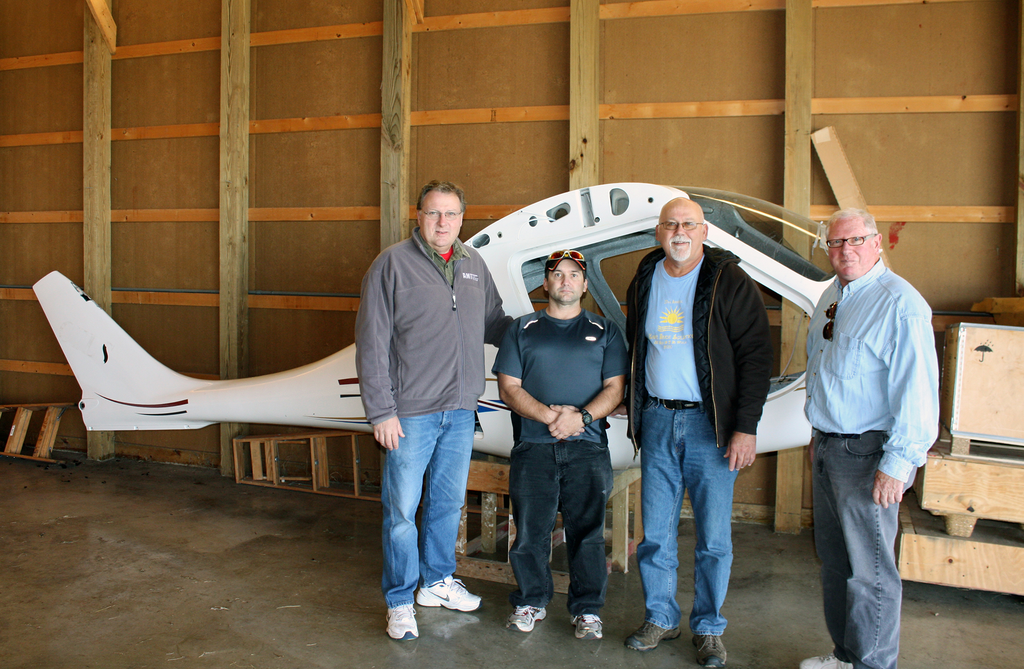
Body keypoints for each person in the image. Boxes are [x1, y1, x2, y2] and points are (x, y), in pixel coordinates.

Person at [620, 196, 773, 667]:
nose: (679, 232)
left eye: (689, 224)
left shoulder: (729, 280)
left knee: (713, 538)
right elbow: (635, 345)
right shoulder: (646, 277)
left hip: (712, 427)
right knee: (656, 533)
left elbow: (755, 357)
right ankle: (661, 617)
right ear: (658, 232)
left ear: (704, 232)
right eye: (670, 224)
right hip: (660, 421)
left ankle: (707, 627)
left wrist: (744, 427)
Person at [355, 180, 511, 641]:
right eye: (433, 214)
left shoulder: (473, 264)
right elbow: (372, 342)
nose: (443, 223)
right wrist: (381, 411)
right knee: (402, 511)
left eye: (451, 214)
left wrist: (546, 332)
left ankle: (437, 582)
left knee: (446, 504)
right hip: (410, 414)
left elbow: (495, 322)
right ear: (417, 217)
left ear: (464, 218)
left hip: (461, 409)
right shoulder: (392, 265)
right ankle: (401, 600)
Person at [800, 209, 938, 669]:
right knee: (837, 564)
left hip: (868, 454)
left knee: (871, 573)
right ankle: (846, 656)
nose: (844, 251)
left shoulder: (900, 303)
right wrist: (816, 438)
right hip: (828, 445)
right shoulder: (832, 297)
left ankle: (874, 664)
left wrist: (899, 465)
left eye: (855, 240)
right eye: (836, 243)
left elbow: (917, 392)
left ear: (878, 242)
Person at [492, 250, 628, 640]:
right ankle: (530, 601)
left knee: (587, 532)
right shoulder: (522, 329)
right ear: (546, 282)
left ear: (585, 285)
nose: (565, 281)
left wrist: (580, 418)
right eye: (557, 274)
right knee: (531, 531)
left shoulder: (605, 331)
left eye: (574, 275)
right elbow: (509, 388)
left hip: (588, 448)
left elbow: (615, 388)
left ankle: (587, 610)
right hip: (534, 447)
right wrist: (552, 418)